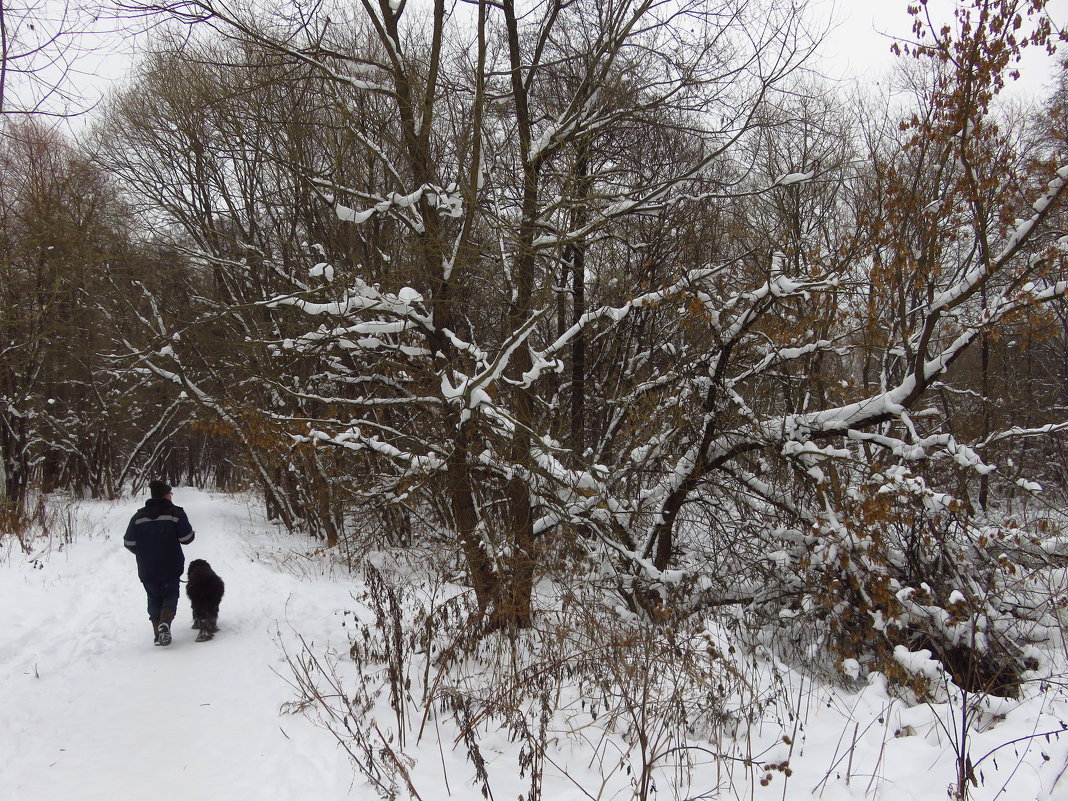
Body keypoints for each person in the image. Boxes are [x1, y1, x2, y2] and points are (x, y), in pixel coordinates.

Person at [123, 480, 195, 646]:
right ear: (166, 495)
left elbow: (128, 542)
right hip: (170, 565)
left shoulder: (138, 516)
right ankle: (165, 624)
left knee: (153, 597)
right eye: (170, 493)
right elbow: (187, 538)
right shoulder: (175, 513)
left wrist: (144, 552)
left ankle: (158, 632)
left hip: (147, 567)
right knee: (170, 595)